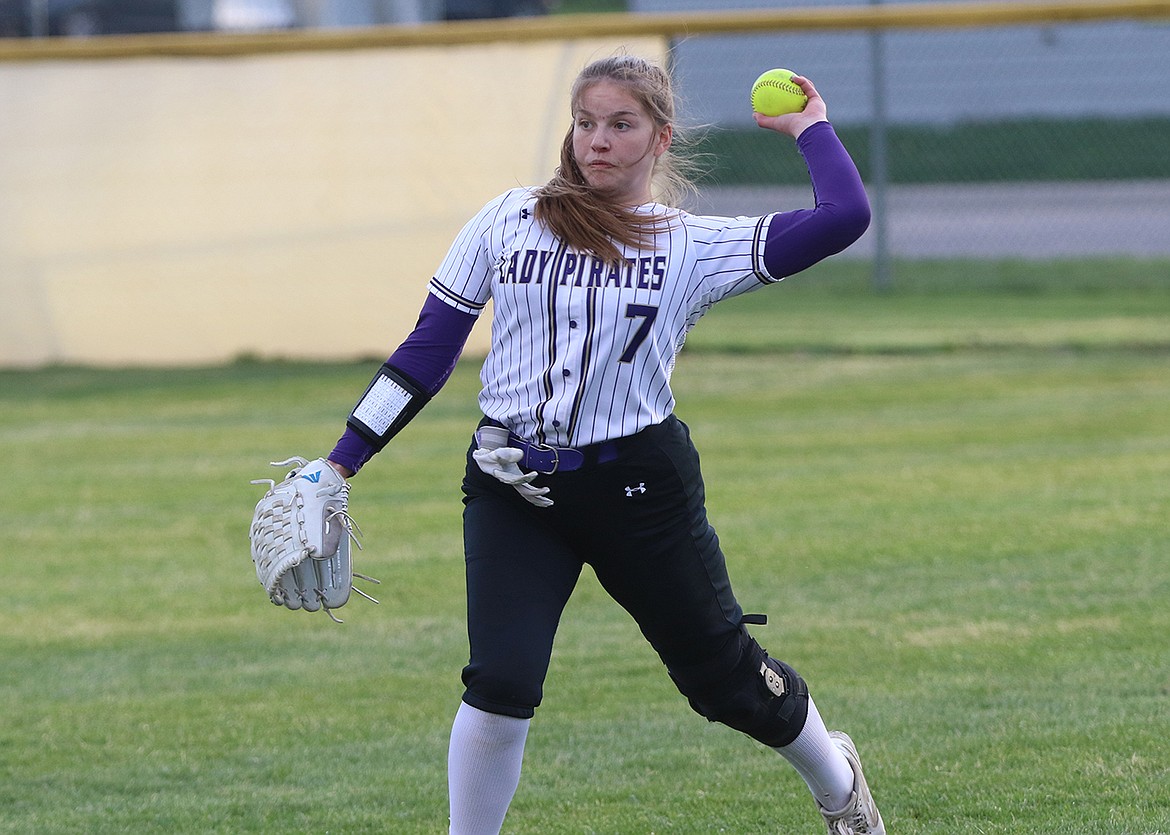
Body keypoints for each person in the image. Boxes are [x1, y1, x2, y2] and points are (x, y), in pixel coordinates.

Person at [325, 54, 882, 834]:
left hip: (639, 490)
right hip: (511, 486)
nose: (598, 141)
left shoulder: (688, 245)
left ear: (660, 139)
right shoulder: (506, 219)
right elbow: (428, 350)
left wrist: (811, 129)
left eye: (621, 125)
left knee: (725, 684)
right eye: (586, 123)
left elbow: (843, 217)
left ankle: (838, 782)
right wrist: (340, 460)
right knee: (499, 681)